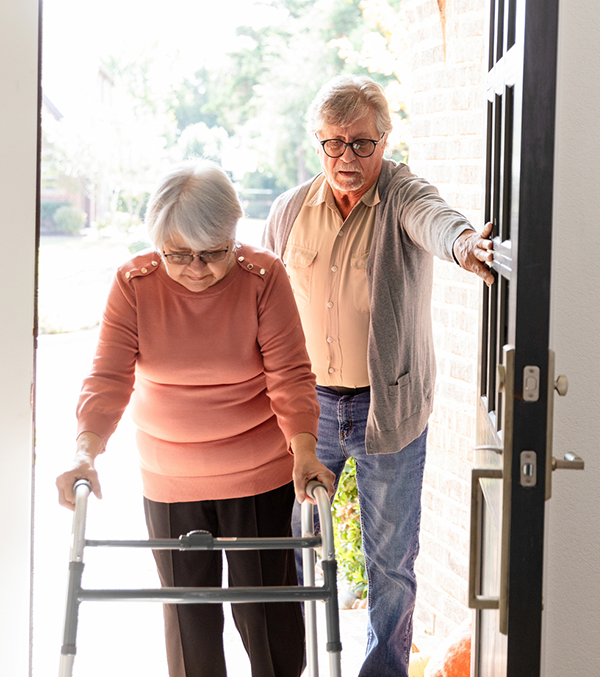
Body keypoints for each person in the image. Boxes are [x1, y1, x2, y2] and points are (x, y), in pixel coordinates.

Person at [56, 160, 335, 677]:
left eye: (213, 253)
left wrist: (304, 451)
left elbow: (290, 374)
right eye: (179, 254)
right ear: (159, 242)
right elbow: (107, 378)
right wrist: (84, 452)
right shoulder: (135, 283)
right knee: (190, 622)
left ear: (234, 234)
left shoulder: (263, 277)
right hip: (171, 479)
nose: (197, 268)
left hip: (257, 473)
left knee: (266, 614)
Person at [263, 74, 494, 677]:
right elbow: (261, 305)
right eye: (334, 143)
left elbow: (436, 219)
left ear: (385, 140)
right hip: (306, 411)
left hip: (385, 409)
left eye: (362, 143)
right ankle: (289, 665)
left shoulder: (402, 195)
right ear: (318, 143)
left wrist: (466, 244)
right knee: (288, 548)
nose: (347, 157)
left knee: (390, 563)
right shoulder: (289, 211)